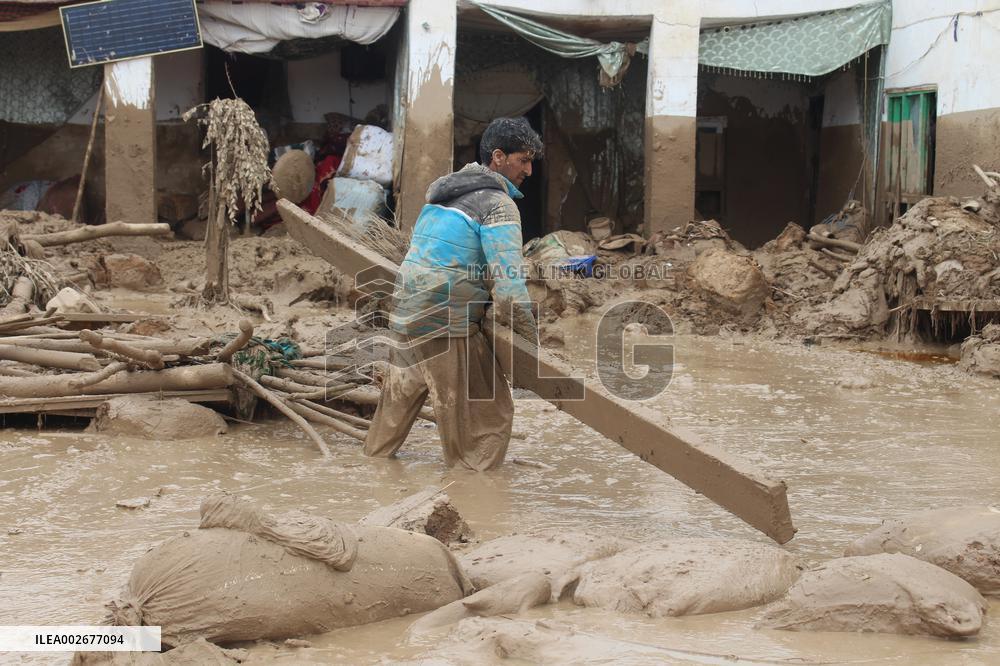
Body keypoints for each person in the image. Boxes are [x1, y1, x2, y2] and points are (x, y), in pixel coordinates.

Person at [363, 117, 542, 471]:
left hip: (405, 315)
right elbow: (508, 287)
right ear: (498, 157)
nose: (529, 171)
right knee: (488, 418)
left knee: (389, 423)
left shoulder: (440, 197)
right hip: (446, 321)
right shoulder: (499, 205)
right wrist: (530, 347)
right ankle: (472, 492)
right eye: (523, 160)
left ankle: (372, 472)